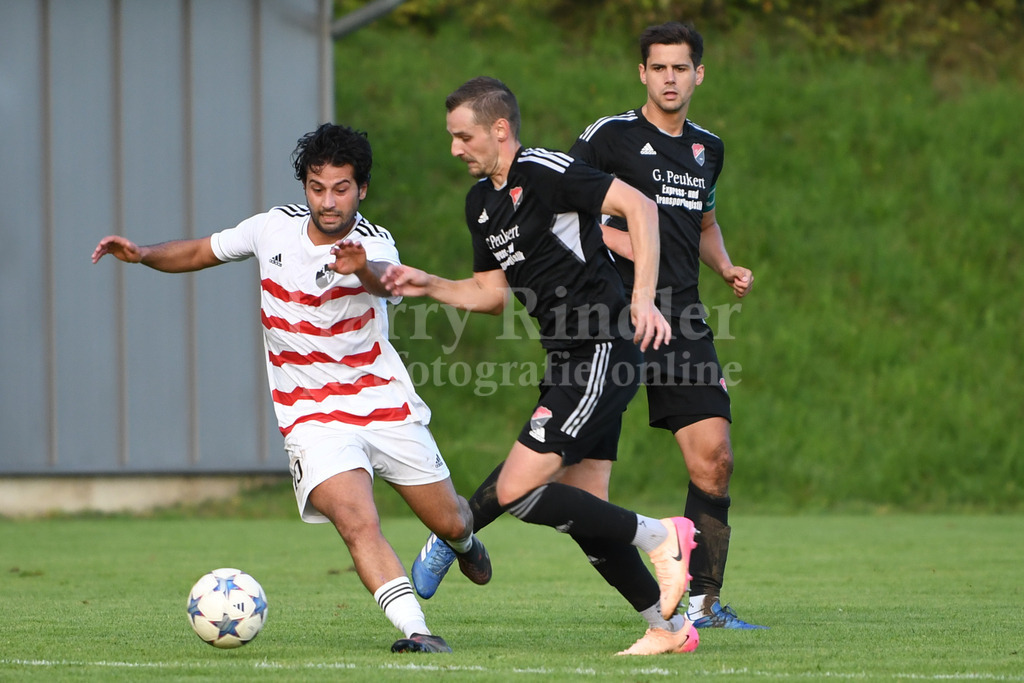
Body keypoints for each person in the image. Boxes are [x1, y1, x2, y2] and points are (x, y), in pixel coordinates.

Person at [91, 123, 491, 654]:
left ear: (362, 189)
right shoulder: (271, 229)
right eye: (317, 187)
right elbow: (199, 252)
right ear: (305, 186)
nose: (328, 201)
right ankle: (418, 632)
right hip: (311, 416)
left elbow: (383, 280)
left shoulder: (375, 243)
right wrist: (142, 253)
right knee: (355, 519)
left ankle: (459, 541)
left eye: (341, 188)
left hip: (382, 404)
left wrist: (362, 269)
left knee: (449, 517)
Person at [381, 76, 699, 656]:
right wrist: (426, 285)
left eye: (464, 136)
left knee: (518, 490)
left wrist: (644, 296)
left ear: (499, 130)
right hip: (565, 360)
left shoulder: (546, 172)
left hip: (604, 346)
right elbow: (490, 294)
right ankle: (669, 628)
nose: (455, 148)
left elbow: (641, 207)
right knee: (589, 516)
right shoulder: (480, 203)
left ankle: (663, 535)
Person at [568, 21, 763, 629]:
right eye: (659, 68)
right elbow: (564, 209)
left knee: (716, 458)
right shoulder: (610, 137)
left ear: (698, 74)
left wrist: (726, 265)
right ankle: (460, 529)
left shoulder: (709, 149)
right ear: (643, 74)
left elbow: (703, 224)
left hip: (683, 318)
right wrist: (635, 247)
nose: (670, 78)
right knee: (566, 469)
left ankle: (702, 603)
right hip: (612, 314)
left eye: (681, 68)